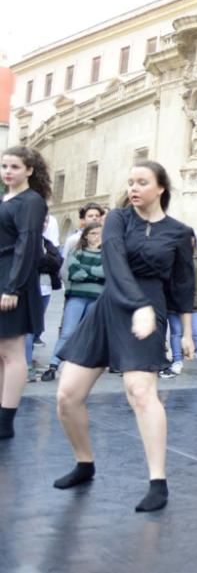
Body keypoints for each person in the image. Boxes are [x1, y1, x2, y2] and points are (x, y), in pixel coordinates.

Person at [53, 160, 195, 512]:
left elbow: (182, 286)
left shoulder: (179, 232)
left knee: (141, 392)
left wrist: (188, 333)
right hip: (112, 305)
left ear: (160, 188)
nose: (133, 188)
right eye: (130, 181)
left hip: (151, 309)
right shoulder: (117, 219)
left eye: (142, 182)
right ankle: (84, 463)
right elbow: (114, 261)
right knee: (67, 396)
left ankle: (158, 481)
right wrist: (136, 304)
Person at [0, 146, 50, 439]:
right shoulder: (8, 198)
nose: (8, 171)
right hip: (3, 273)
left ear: (29, 170)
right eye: (5, 166)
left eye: (15, 167)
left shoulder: (31, 201)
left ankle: (6, 421)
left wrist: (13, 287)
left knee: (13, 351)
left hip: (12, 278)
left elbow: (28, 244)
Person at [44, 222, 105, 381]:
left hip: (96, 298)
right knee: (67, 332)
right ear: (85, 235)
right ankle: (53, 364)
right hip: (77, 295)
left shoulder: (107, 253)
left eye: (99, 233)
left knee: (87, 333)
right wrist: (94, 274)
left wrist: (87, 271)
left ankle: (78, 366)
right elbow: (75, 273)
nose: (97, 237)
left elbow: (105, 272)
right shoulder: (77, 251)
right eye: (93, 233)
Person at [161, 232, 197, 378]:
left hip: (194, 302)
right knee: (176, 333)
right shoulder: (172, 256)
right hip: (175, 301)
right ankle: (177, 361)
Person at [27, 221, 62, 379]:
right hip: (27, 289)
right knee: (28, 328)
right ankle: (26, 364)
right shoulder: (24, 241)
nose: (43, 223)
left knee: (37, 328)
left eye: (46, 221)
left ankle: (29, 357)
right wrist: (46, 262)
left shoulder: (47, 243)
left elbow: (57, 262)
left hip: (46, 288)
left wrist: (44, 262)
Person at [60, 203, 104, 284]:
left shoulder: (106, 239)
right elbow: (65, 267)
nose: (94, 218)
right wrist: (68, 288)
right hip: (76, 289)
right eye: (90, 216)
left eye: (97, 216)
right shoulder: (73, 240)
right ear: (83, 220)